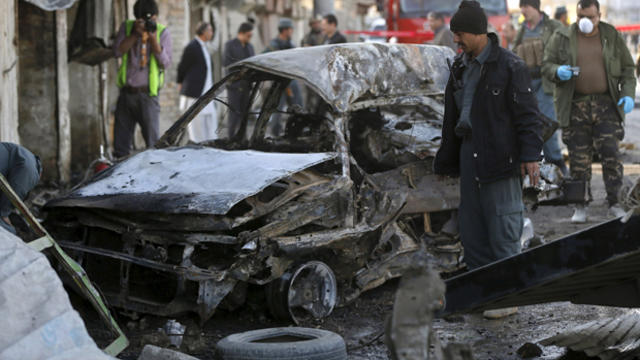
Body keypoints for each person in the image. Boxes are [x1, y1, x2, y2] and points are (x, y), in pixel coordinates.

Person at [434, 0, 542, 317]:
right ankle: (484, 295)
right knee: (473, 230)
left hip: (500, 156)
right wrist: (446, 161)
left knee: (503, 226)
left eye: (461, 34)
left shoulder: (510, 66)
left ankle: (509, 297)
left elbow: (528, 117)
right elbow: (450, 119)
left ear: (479, 33)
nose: (456, 40)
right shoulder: (459, 66)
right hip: (469, 155)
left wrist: (531, 155)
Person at [543, 0, 635, 223]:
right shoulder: (563, 38)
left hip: (606, 105)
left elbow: (628, 68)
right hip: (576, 107)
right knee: (578, 159)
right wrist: (558, 71)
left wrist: (628, 94)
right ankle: (580, 205)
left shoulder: (611, 35)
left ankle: (614, 202)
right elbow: (546, 65)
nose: (586, 21)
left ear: (599, 15)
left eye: (591, 17)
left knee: (611, 155)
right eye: (581, 16)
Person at [513, 0, 568, 176]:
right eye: (521, 7)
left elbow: (566, 49)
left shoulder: (553, 26)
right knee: (532, 126)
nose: (522, 10)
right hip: (527, 84)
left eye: (525, 7)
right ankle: (546, 170)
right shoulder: (523, 29)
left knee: (547, 125)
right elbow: (514, 53)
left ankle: (559, 166)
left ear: (535, 7)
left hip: (547, 83)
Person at [113, 0, 172, 158]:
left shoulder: (162, 32)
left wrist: (153, 40)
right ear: (136, 18)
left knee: (153, 146)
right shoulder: (127, 28)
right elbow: (117, 52)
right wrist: (134, 34)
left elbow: (165, 63)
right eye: (142, 20)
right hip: (126, 94)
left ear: (155, 17)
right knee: (120, 147)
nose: (147, 23)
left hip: (148, 96)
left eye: (150, 20)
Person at [177, 22, 217, 143]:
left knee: (210, 120)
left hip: (207, 91)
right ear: (203, 32)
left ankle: (210, 145)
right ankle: (197, 145)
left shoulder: (205, 47)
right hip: (195, 92)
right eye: (210, 30)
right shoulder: (192, 47)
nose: (212, 33)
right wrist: (180, 83)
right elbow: (182, 67)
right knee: (196, 124)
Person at [263, 18, 304, 136]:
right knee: (277, 110)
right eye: (290, 29)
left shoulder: (291, 44)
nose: (292, 31)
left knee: (298, 107)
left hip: (291, 80)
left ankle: (297, 132)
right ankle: (275, 134)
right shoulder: (273, 45)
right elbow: (265, 60)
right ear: (284, 30)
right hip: (279, 82)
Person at [223, 22, 255, 139]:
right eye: (248, 35)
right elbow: (227, 64)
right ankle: (231, 138)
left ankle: (243, 139)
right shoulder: (230, 45)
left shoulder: (249, 47)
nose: (249, 38)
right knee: (234, 115)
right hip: (234, 86)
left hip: (247, 86)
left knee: (245, 115)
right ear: (241, 34)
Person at [0, 143, 41, 234]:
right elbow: (17, 189)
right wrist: (4, 214)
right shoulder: (31, 171)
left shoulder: (21, 153)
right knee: (8, 233)